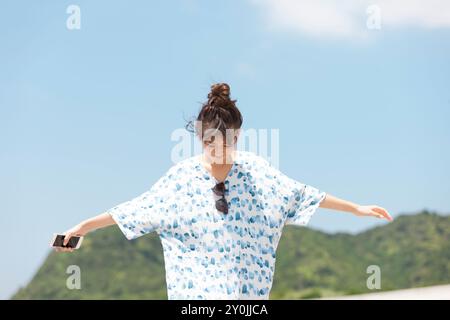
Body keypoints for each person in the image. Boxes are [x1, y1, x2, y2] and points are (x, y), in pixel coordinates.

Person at [55, 82, 393, 299]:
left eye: (226, 143)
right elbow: (134, 209)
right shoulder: (181, 178)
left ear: (237, 137)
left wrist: (357, 208)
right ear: (200, 138)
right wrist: (82, 227)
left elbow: (303, 194)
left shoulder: (256, 171)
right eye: (209, 143)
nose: (217, 150)